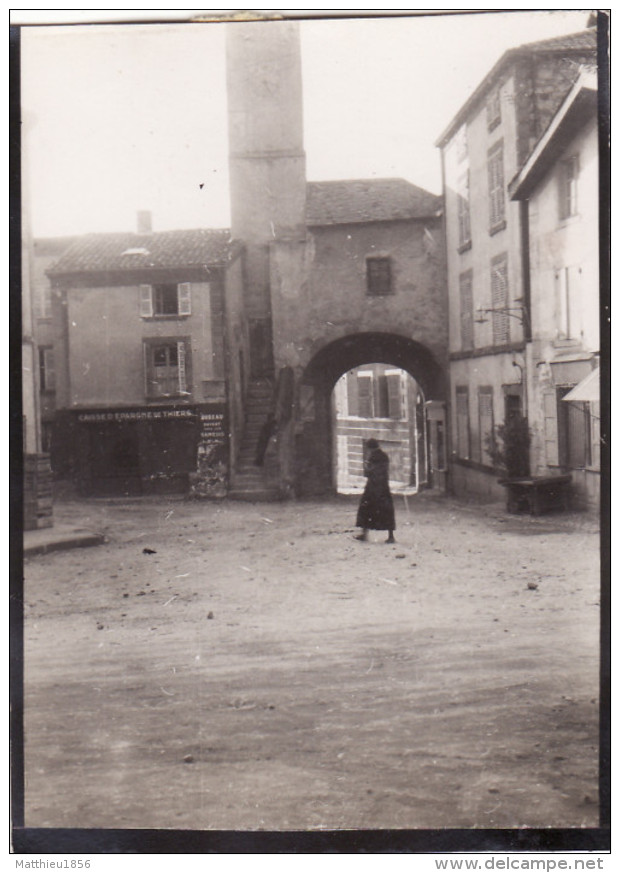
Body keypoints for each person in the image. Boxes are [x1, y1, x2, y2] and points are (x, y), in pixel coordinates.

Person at [355, 438, 396, 543]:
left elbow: (370, 472)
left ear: (369, 448)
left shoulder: (372, 457)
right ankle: (391, 536)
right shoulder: (384, 456)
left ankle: (364, 534)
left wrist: (366, 467)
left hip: (372, 487)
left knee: (366, 509)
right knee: (387, 510)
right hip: (383, 487)